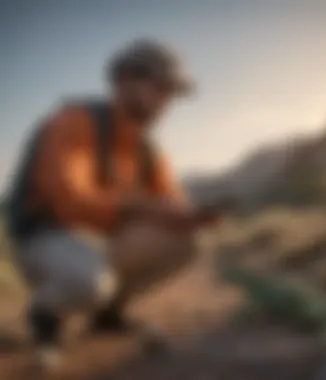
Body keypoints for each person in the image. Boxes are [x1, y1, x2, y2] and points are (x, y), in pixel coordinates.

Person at [8, 38, 218, 370]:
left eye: (171, 95)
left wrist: (191, 216)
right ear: (125, 80)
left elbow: (170, 200)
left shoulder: (147, 148)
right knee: (87, 281)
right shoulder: (73, 120)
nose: (166, 103)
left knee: (187, 239)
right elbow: (67, 199)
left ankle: (108, 315)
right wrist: (140, 207)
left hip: (94, 244)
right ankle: (44, 316)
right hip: (44, 239)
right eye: (161, 88)